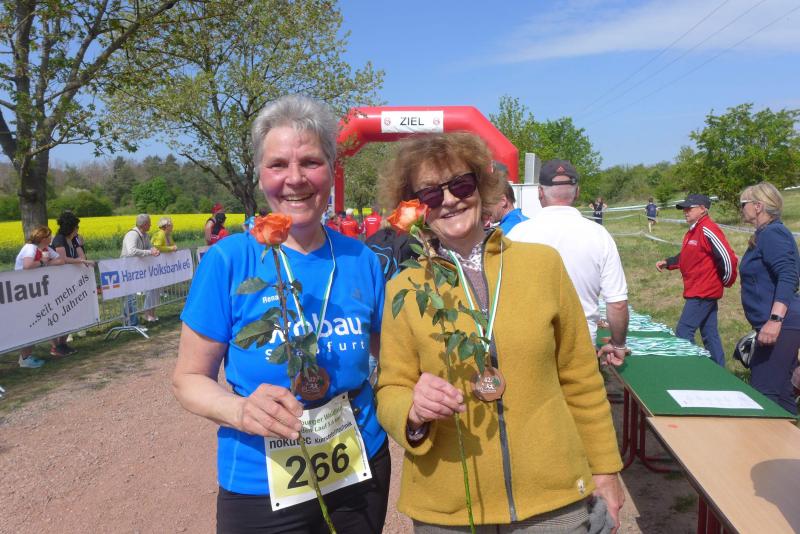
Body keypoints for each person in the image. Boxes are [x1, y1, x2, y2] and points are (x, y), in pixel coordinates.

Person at [376, 133, 624, 532]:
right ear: (415, 206)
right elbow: (391, 387)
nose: (450, 200)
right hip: (451, 510)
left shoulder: (542, 265)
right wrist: (413, 410)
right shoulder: (405, 287)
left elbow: (581, 377)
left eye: (461, 185)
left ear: (482, 186)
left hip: (552, 502)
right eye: (431, 193)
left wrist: (606, 470)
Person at [172, 94, 390, 533]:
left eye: (310, 162)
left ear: (331, 169)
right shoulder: (229, 261)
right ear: (260, 174)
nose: (295, 179)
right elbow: (188, 379)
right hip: (261, 479)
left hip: (358, 464)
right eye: (278, 165)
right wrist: (239, 411)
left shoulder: (361, 259)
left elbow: (391, 360)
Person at [507, 159, 629, 365]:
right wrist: (618, 345)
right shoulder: (599, 235)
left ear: (540, 192)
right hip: (580, 345)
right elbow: (617, 303)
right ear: (577, 192)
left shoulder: (517, 234)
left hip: (530, 346)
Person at [656, 194, 738, 367]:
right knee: (709, 333)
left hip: (703, 292)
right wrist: (669, 262)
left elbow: (728, 258)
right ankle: (718, 372)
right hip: (698, 290)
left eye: (689, 208)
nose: (685, 211)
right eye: (684, 208)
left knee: (683, 332)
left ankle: (694, 369)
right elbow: (689, 255)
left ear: (703, 209)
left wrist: (725, 281)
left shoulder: (708, 229)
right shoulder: (694, 230)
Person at [738, 183, 799, 414]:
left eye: (743, 204)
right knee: (781, 394)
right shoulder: (765, 234)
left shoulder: (773, 233)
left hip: (782, 324)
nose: (741, 208)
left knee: (763, 395)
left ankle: (767, 439)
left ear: (758, 206)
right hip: (781, 324)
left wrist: (774, 320)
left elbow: (788, 275)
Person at [15, 226, 67, 367]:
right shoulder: (30, 248)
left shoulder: (46, 249)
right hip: (23, 292)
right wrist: (43, 262)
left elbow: (61, 261)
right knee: (30, 324)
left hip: (35, 291)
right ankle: (24, 358)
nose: (51, 238)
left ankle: (26, 357)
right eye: (49, 236)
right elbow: (27, 265)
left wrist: (46, 262)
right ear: (43, 238)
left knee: (35, 324)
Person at [121, 214, 161, 327]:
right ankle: (131, 323)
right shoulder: (132, 234)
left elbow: (148, 247)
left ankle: (133, 322)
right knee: (130, 298)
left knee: (133, 298)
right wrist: (149, 252)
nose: (151, 225)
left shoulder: (145, 235)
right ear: (144, 224)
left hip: (136, 269)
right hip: (127, 269)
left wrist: (153, 249)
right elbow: (131, 251)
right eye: (149, 223)